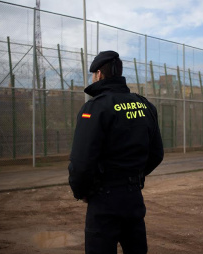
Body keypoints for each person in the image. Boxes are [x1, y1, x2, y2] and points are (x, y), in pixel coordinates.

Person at [68, 50, 164, 253]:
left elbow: (82, 162)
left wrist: (82, 192)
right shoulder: (145, 105)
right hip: (133, 197)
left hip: (104, 200)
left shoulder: (95, 107)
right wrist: (132, 176)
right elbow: (156, 153)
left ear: (99, 75)